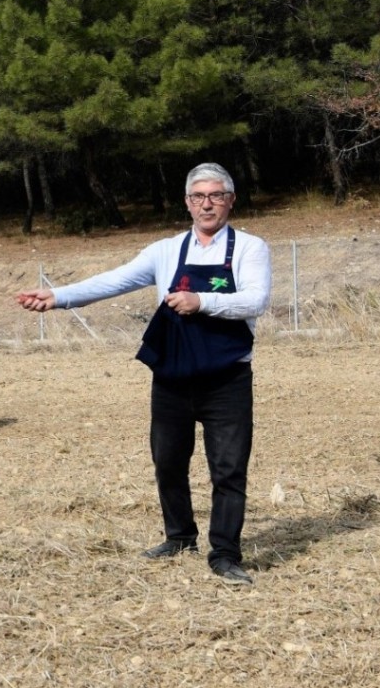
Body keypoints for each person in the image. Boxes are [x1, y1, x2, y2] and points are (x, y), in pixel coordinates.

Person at [15, 163, 271, 584]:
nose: (207, 204)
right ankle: (179, 536)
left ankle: (225, 553)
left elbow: (255, 300)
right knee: (167, 462)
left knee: (228, 468)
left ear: (231, 200)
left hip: (227, 379)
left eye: (216, 195)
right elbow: (112, 281)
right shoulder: (164, 251)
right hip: (172, 377)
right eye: (198, 196)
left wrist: (200, 301)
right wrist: (58, 296)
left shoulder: (250, 247)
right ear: (187, 202)